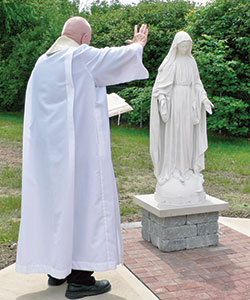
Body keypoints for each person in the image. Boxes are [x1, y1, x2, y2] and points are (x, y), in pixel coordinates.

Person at [16, 17, 149, 299]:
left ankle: (56, 270)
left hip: (47, 157)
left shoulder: (42, 63)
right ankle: (80, 279)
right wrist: (137, 45)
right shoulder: (80, 57)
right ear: (85, 37)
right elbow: (113, 59)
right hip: (78, 154)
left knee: (55, 207)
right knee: (83, 206)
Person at [150, 31, 213, 205]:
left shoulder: (192, 62)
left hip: (189, 103)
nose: (185, 49)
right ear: (176, 46)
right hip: (175, 102)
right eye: (182, 46)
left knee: (187, 137)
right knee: (174, 135)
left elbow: (198, 83)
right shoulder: (170, 62)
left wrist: (204, 99)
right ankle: (173, 169)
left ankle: (186, 168)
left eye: (187, 46)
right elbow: (160, 87)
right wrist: (162, 100)